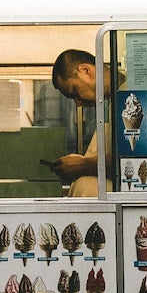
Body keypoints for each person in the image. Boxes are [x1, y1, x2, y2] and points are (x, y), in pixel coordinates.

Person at [48, 49, 101, 197]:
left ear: (85, 71)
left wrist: (83, 165)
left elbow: (128, 161)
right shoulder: (107, 106)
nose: (78, 103)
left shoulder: (129, 97)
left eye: (75, 92)